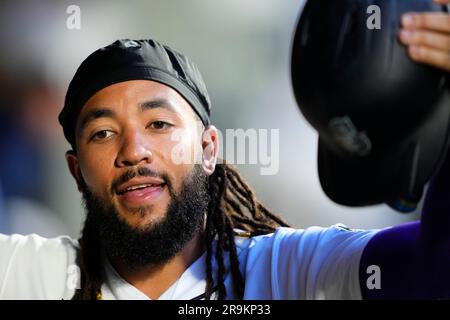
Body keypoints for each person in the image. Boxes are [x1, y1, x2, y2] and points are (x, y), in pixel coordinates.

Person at [0, 3, 449, 300]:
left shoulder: (288, 272)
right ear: (76, 171)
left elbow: (433, 272)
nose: (134, 150)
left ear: (209, 149)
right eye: (102, 133)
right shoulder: (30, 275)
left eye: (158, 124)